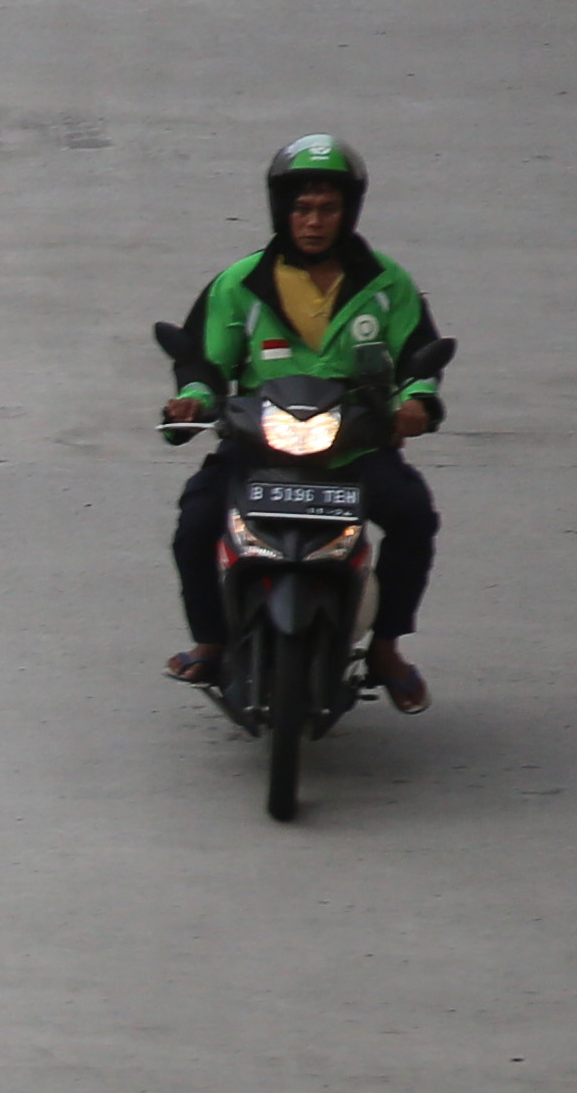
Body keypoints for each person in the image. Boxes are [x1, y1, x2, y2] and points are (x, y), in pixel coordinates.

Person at [161, 133, 446, 711]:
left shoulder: (387, 285)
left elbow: (420, 359)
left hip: (354, 446)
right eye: (302, 208)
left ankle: (387, 646)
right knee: (195, 524)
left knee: (414, 517)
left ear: (348, 213)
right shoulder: (238, 285)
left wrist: (416, 402)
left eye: (327, 209)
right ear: (281, 211)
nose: (313, 222)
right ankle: (212, 640)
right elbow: (205, 363)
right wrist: (191, 399)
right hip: (259, 444)